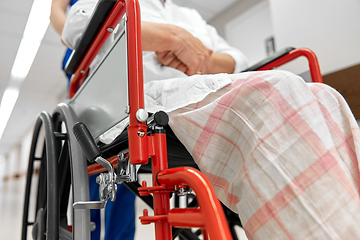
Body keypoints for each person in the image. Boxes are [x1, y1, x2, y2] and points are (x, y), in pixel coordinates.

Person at [62, 0, 360, 239]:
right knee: (277, 89)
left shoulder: (188, 14)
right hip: (143, 108)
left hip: (206, 92)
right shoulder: (118, 2)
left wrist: (197, 54)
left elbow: (236, 58)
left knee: (324, 95)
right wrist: (169, 38)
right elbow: (76, 24)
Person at [50, 1, 136, 240]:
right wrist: (70, 33)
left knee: (125, 163)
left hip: (117, 56)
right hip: (85, 55)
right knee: (90, 162)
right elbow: (56, 12)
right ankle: (88, 234)